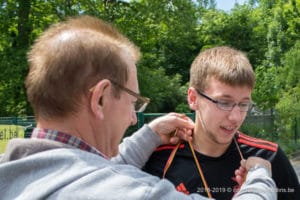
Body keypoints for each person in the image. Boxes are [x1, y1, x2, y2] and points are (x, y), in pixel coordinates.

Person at [0, 16, 276, 200]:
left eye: (243, 104)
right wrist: (261, 176)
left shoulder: (13, 173)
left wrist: (150, 135)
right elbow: (103, 179)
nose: (134, 118)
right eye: (133, 102)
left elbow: (87, 170)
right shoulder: (132, 192)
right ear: (100, 98)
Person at [143, 46, 300, 200]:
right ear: (193, 98)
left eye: (244, 104)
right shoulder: (157, 157)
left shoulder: (268, 158)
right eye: (224, 103)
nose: (236, 117)